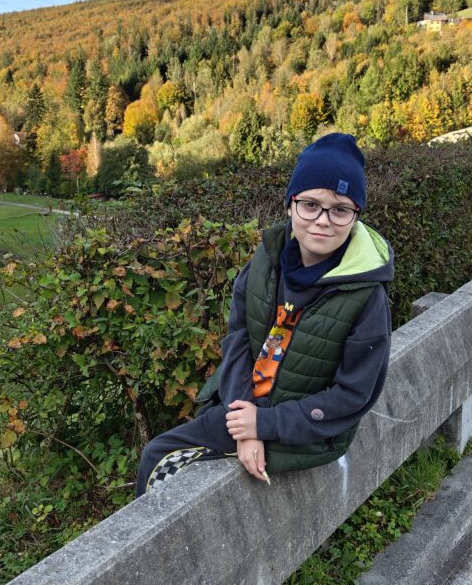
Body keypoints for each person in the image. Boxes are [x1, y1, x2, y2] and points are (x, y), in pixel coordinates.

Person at [135, 132, 393, 496]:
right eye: (310, 205)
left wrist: (264, 424)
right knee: (163, 459)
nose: (323, 220)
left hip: (308, 430)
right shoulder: (266, 263)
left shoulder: (366, 296)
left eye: (340, 210)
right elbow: (239, 340)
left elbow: (352, 395)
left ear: (356, 217)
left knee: (159, 457)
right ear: (290, 205)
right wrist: (246, 421)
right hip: (250, 406)